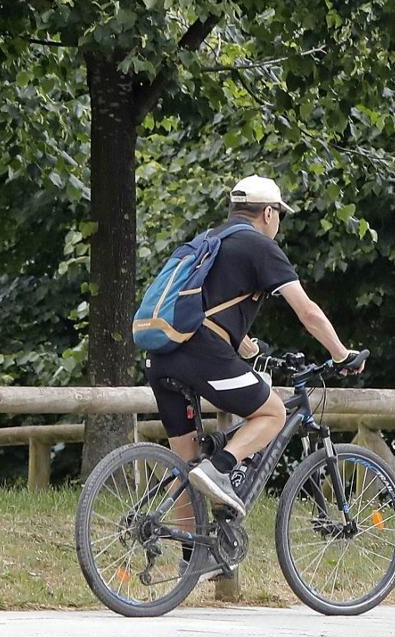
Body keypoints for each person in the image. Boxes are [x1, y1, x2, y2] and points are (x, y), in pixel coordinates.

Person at [145, 175, 364, 517]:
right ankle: (221, 468)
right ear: (269, 213)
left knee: (184, 469)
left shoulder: (208, 239)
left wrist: (242, 343)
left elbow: (201, 305)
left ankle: (190, 565)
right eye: (280, 215)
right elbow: (307, 312)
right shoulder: (261, 247)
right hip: (201, 355)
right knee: (273, 412)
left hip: (161, 356)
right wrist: (341, 354)